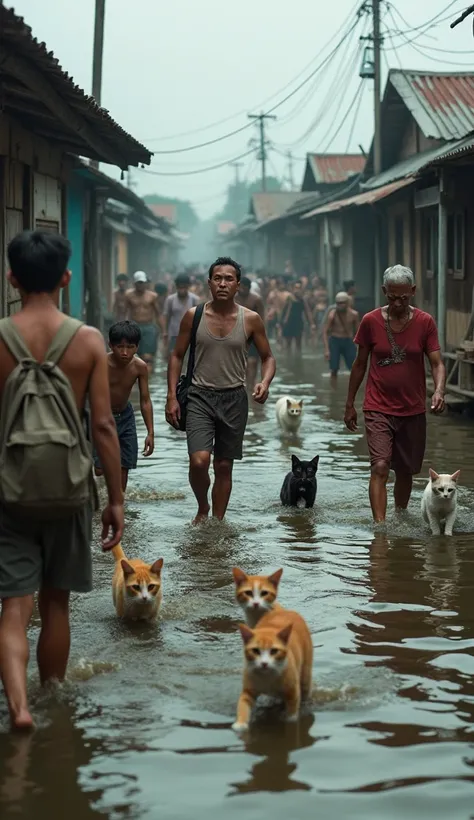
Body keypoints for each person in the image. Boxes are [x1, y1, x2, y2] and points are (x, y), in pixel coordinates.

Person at [0, 230, 124, 730]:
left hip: (9, 490)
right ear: (66, 278)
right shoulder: (88, 340)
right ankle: (51, 694)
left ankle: (18, 707)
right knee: (56, 604)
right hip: (71, 489)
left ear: (12, 278)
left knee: (14, 604)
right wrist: (115, 499)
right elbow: (103, 426)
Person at [166, 256, 276, 524]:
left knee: (224, 465)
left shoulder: (251, 320)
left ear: (238, 285)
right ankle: (202, 507)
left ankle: (217, 520)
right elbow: (177, 355)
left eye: (229, 279)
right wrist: (171, 397)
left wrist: (264, 382)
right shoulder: (194, 316)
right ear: (209, 283)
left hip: (234, 398)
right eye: (218, 278)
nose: (223, 284)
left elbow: (268, 357)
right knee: (199, 461)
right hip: (199, 396)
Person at [344, 264, 446, 525]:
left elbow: (436, 362)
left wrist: (439, 391)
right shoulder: (370, 321)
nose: (398, 303)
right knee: (379, 466)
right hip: (377, 406)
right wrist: (350, 404)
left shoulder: (425, 322)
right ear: (383, 291)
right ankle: (380, 528)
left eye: (404, 297)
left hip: (412, 408)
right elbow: (360, 364)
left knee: (405, 470)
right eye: (392, 297)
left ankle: (400, 516)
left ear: (412, 291)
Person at [93, 320, 154, 492]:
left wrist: (150, 432)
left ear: (137, 347)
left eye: (130, 347)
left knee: (124, 464)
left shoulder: (140, 367)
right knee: (98, 469)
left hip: (125, 416)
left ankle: (119, 502)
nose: (125, 352)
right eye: (120, 347)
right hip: (101, 415)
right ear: (110, 345)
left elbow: (145, 400)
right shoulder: (100, 364)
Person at [125, 271, 161, 372]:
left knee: (147, 357)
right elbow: (124, 312)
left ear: (146, 283)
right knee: (133, 356)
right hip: (134, 326)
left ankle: (147, 381)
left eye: (142, 283)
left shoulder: (152, 296)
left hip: (148, 327)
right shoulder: (129, 295)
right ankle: (137, 380)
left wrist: (164, 331)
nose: (140, 285)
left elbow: (158, 313)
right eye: (138, 283)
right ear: (134, 283)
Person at [323, 291, 359, 381]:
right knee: (334, 369)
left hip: (348, 341)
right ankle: (334, 390)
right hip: (335, 341)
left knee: (354, 368)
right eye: (338, 303)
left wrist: (359, 346)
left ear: (347, 303)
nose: (340, 305)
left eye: (342, 303)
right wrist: (327, 349)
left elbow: (358, 331)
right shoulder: (332, 314)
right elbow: (325, 331)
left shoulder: (354, 314)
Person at [236, 275, 265, 387]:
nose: (242, 289)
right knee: (239, 364)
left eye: (245, 287)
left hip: (252, 336)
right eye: (241, 287)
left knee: (252, 363)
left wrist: (261, 337)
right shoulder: (233, 298)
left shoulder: (256, 299)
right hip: (236, 335)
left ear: (249, 288)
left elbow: (262, 318)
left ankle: (251, 387)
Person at [162, 273, 199, 356]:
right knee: (173, 357)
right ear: (176, 286)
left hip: (190, 334)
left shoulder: (194, 299)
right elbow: (166, 316)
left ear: (188, 286)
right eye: (180, 287)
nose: (182, 289)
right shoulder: (170, 299)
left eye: (184, 287)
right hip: (174, 334)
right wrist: (165, 332)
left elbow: (199, 317)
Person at [281, 280, 315, 352]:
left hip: (298, 323)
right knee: (288, 345)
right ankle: (289, 360)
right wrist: (282, 323)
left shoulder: (303, 300)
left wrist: (312, 324)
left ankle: (298, 360)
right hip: (289, 323)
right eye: (296, 288)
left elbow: (308, 312)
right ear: (293, 289)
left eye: (299, 288)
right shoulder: (289, 298)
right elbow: (284, 311)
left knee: (298, 345)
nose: (297, 289)